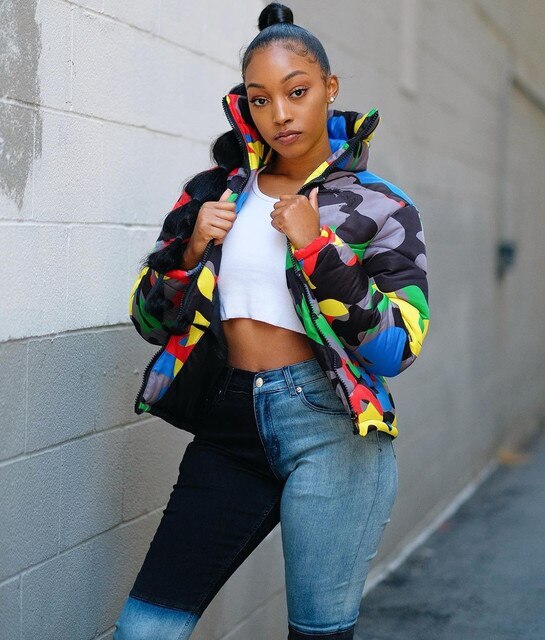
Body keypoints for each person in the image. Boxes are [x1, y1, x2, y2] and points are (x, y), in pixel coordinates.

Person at [114, 3, 430, 639]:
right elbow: (148, 319)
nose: (280, 114)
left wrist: (318, 250)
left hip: (333, 429)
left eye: (297, 92)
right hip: (229, 424)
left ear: (330, 89)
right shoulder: (213, 193)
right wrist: (189, 253)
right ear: (246, 108)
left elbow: (397, 348)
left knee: (316, 633)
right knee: (144, 630)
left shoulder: (380, 206)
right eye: (260, 100)